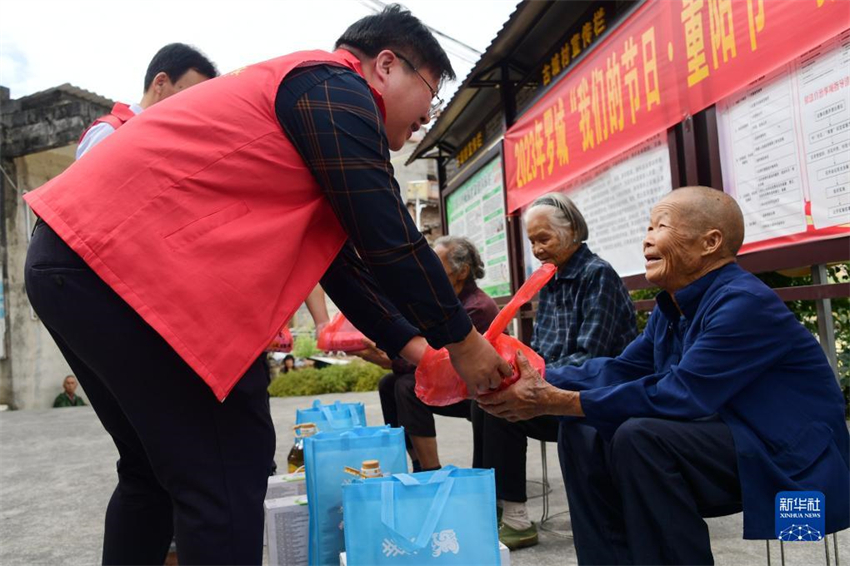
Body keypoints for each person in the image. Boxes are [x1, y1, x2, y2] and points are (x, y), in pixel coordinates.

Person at [24, 6, 510, 564]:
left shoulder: (308, 121)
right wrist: (465, 343)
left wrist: (419, 351)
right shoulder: (333, 84)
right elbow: (387, 234)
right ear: (385, 65)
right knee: (229, 470)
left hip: (72, 262)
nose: (426, 118)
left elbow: (343, 265)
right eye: (430, 93)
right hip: (119, 269)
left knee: (152, 473)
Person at [479, 186, 850, 565]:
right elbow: (620, 369)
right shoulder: (673, 305)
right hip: (726, 436)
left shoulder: (743, 303)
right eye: (648, 227)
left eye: (661, 226)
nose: (647, 238)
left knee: (639, 437)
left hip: (786, 456)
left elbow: (682, 394)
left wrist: (559, 400)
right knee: (582, 431)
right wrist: (530, 376)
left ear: (710, 242)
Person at [471, 192, 637, 549]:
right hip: (553, 386)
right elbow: (539, 352)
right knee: (487, 399)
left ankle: (516, 517)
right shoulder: (551, 281)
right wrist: (513, 374)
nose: (538, 249)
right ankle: (492, 504)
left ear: (574, 230)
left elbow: (592, 357)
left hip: (591, 395)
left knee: (505, 408)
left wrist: (529, 383)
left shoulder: (598, 276)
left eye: (544, 238)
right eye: (532, 241)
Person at [368, 236, 499, 471]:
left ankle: (430, 470)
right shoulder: (445, 304)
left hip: (475, 387)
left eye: (437, 269)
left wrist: (393, 359)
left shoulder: (476, 307)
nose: (429, 276)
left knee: (408, 386)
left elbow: (438, 358)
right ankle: (416, 460)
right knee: (389, 384)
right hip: (453, 382)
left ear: (462, 272)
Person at [76, 42, 218, 160]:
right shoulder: (111, 132)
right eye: (189, 97)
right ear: (160, 83)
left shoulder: (175, 145)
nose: (194, 109)